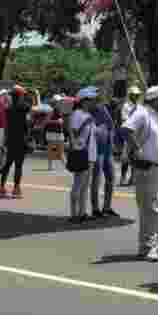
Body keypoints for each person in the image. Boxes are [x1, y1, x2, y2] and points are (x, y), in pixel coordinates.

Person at [120, 84, 158, 261]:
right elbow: (126, 129)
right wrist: (137, 150)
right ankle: (146, 246)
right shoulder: (143, 112)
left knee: (156, 208)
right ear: (154, 100)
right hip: (148, 167)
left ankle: (153, 242)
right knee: (150, 208)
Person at [0, 84, 35, 199]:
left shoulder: (8, 109)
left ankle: (2, 187)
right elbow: (34, 113)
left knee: (8, 164)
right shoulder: (24, 107)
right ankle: (16, 188)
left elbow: (7, 126)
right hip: (21, 140)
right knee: (18, 165)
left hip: (11, 139)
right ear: (20, 96)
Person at [67, 87, 99, 222]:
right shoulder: (77, 114)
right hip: (81, 153)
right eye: (91, 100)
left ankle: (82, 212)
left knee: (85, 185)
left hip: (90, 154)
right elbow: (73, 133)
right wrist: (84, 124)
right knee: (78, 184)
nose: (93, 102)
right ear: (84, 101)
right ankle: (74, 214)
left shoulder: (89, 115)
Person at [90, 95, 117, 217]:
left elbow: (111, 125)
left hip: (107, 148)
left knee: (111, 177)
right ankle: (95, 209)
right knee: (97, 179)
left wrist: (112, 143)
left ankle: (107, 207)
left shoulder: (102, 108)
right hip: (97, 149)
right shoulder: (88, 112)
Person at [118, 86, 141, 185]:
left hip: (138, 134)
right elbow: (124, 119)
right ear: (130, 95)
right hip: (129, 133)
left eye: (137, 95)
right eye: (134, 95)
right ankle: (123, 177)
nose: (136, 97)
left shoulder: (140, 106)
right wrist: (134, 111)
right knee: (125, 157)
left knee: (136, 156)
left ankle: (133, 177)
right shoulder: (126, 106)